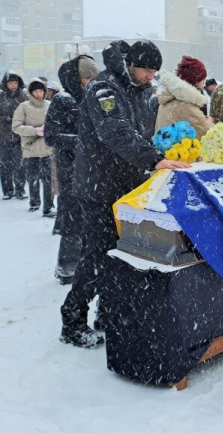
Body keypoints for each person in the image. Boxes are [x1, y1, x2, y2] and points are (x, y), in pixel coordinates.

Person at [60, 40, 190, 348]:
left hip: (127, 187)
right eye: (146, 70)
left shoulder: (141, 90)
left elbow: (141, 133)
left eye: (155, 72)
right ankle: (72, 320)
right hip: (99, 187)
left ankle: (108, 314)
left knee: (121, 257)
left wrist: (165, 150)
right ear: (131, 64)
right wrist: (153, 159)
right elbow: (114, 130)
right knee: (97, 256)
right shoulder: (104, 88)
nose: (150, 77)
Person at [45, 55, 100, 284]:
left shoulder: (95, 97)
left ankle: (87, 264)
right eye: (87, 77)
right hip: (71, 168)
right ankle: (67, 267)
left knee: (91, 219)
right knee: (72, 218)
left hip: (93, 168)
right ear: (76, 79)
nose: (91, 81)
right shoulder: (62, 100)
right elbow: (51, 136)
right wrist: (82, 141)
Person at [12, 79, 54, 216]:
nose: (39, 94)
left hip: (48, 148)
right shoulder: (23, 107)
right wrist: (34, 131)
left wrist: (50, 130)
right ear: (31, 93)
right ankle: (34, 202)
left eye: (41, 91)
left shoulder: (50, 105)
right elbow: (16, 127)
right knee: (33, 178)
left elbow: (57, 123)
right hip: (31, 150)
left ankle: (49, 206)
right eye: (35, 91)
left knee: (49, 180)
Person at [0, 72, 28, 200]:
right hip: (2, 136)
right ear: (5, 84)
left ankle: (20, 189)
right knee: (5, 164)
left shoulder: (24, 96)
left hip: (20, 135)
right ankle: (7, 190)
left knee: (20, 164)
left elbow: (30, 113)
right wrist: (4, 119)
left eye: (15, 83)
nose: (13, 85)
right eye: (10, 83)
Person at [155, 56, 214, 139]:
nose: (203, 85)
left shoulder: (170, 96)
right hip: (179, 147)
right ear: (195, 81)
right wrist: (209, 122)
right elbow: (207, 133)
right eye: (202, 81)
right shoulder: (185, 105)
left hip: (166, 145)